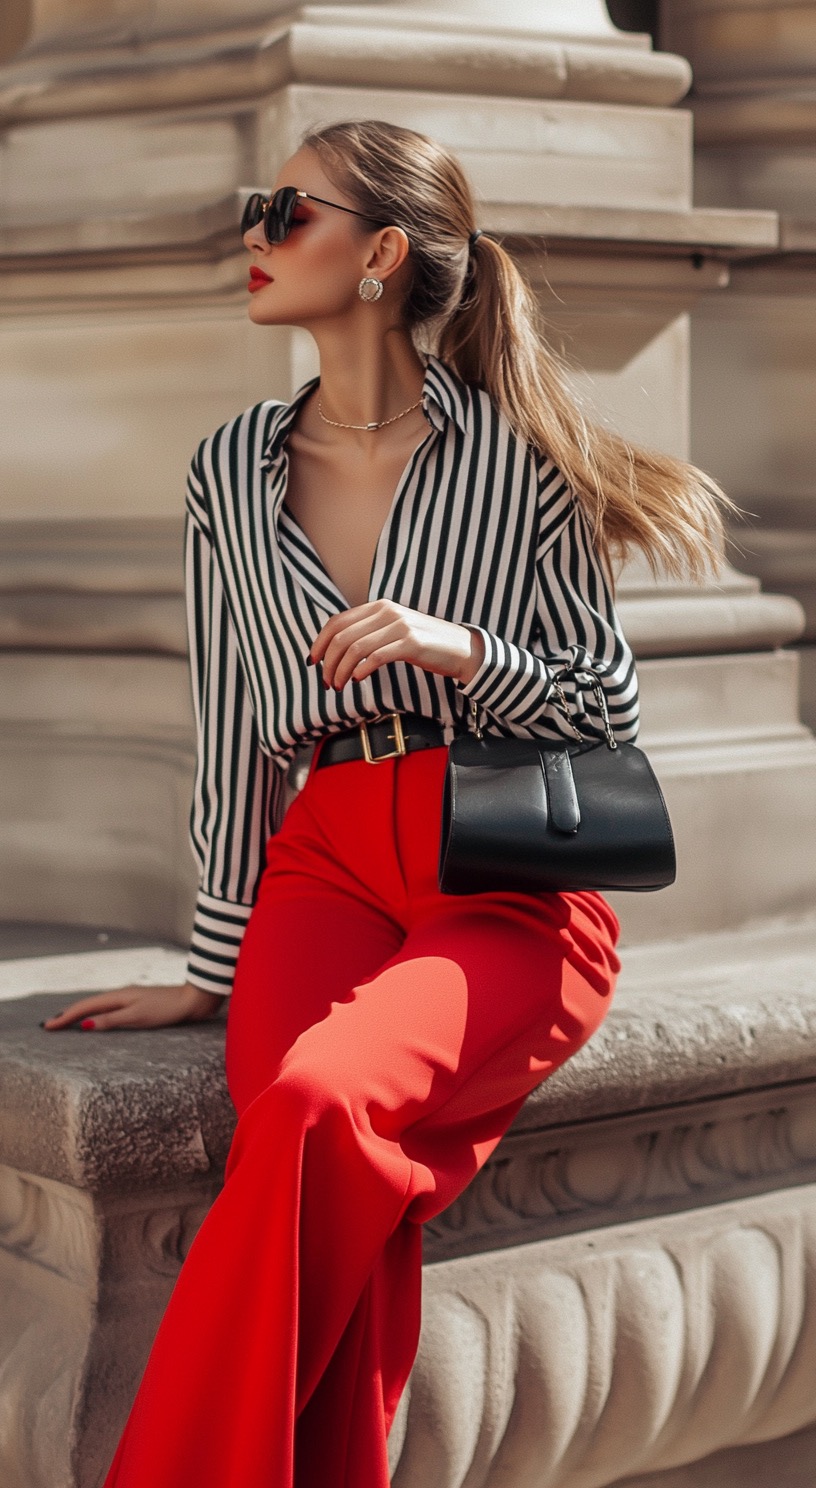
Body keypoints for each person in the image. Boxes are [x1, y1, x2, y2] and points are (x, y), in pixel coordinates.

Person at [44, 120, 729, 1488]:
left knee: (314, 1113)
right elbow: (233, 723)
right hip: (322, 861)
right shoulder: (225, 474)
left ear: (379, 255)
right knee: (347, 1220)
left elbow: (607, 708)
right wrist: (211, 964)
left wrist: (454, 645)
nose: (250, 232)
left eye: (281, 210)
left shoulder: (520, 460)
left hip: (504, 873)